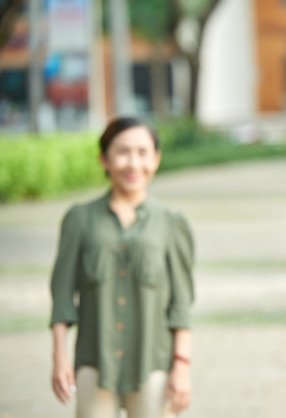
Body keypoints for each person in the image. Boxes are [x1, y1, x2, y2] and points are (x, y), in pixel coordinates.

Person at [49, 116, 195, 418]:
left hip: (154, 364)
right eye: (122, 152)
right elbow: (62, 296)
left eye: (143, 153)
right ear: (104, 159)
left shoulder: (171, 223)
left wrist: (181, 368)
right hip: (94, 361)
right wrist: (60, 357)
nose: (133, 163)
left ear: (156, 160)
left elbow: (181, 304)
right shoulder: (79, 219)